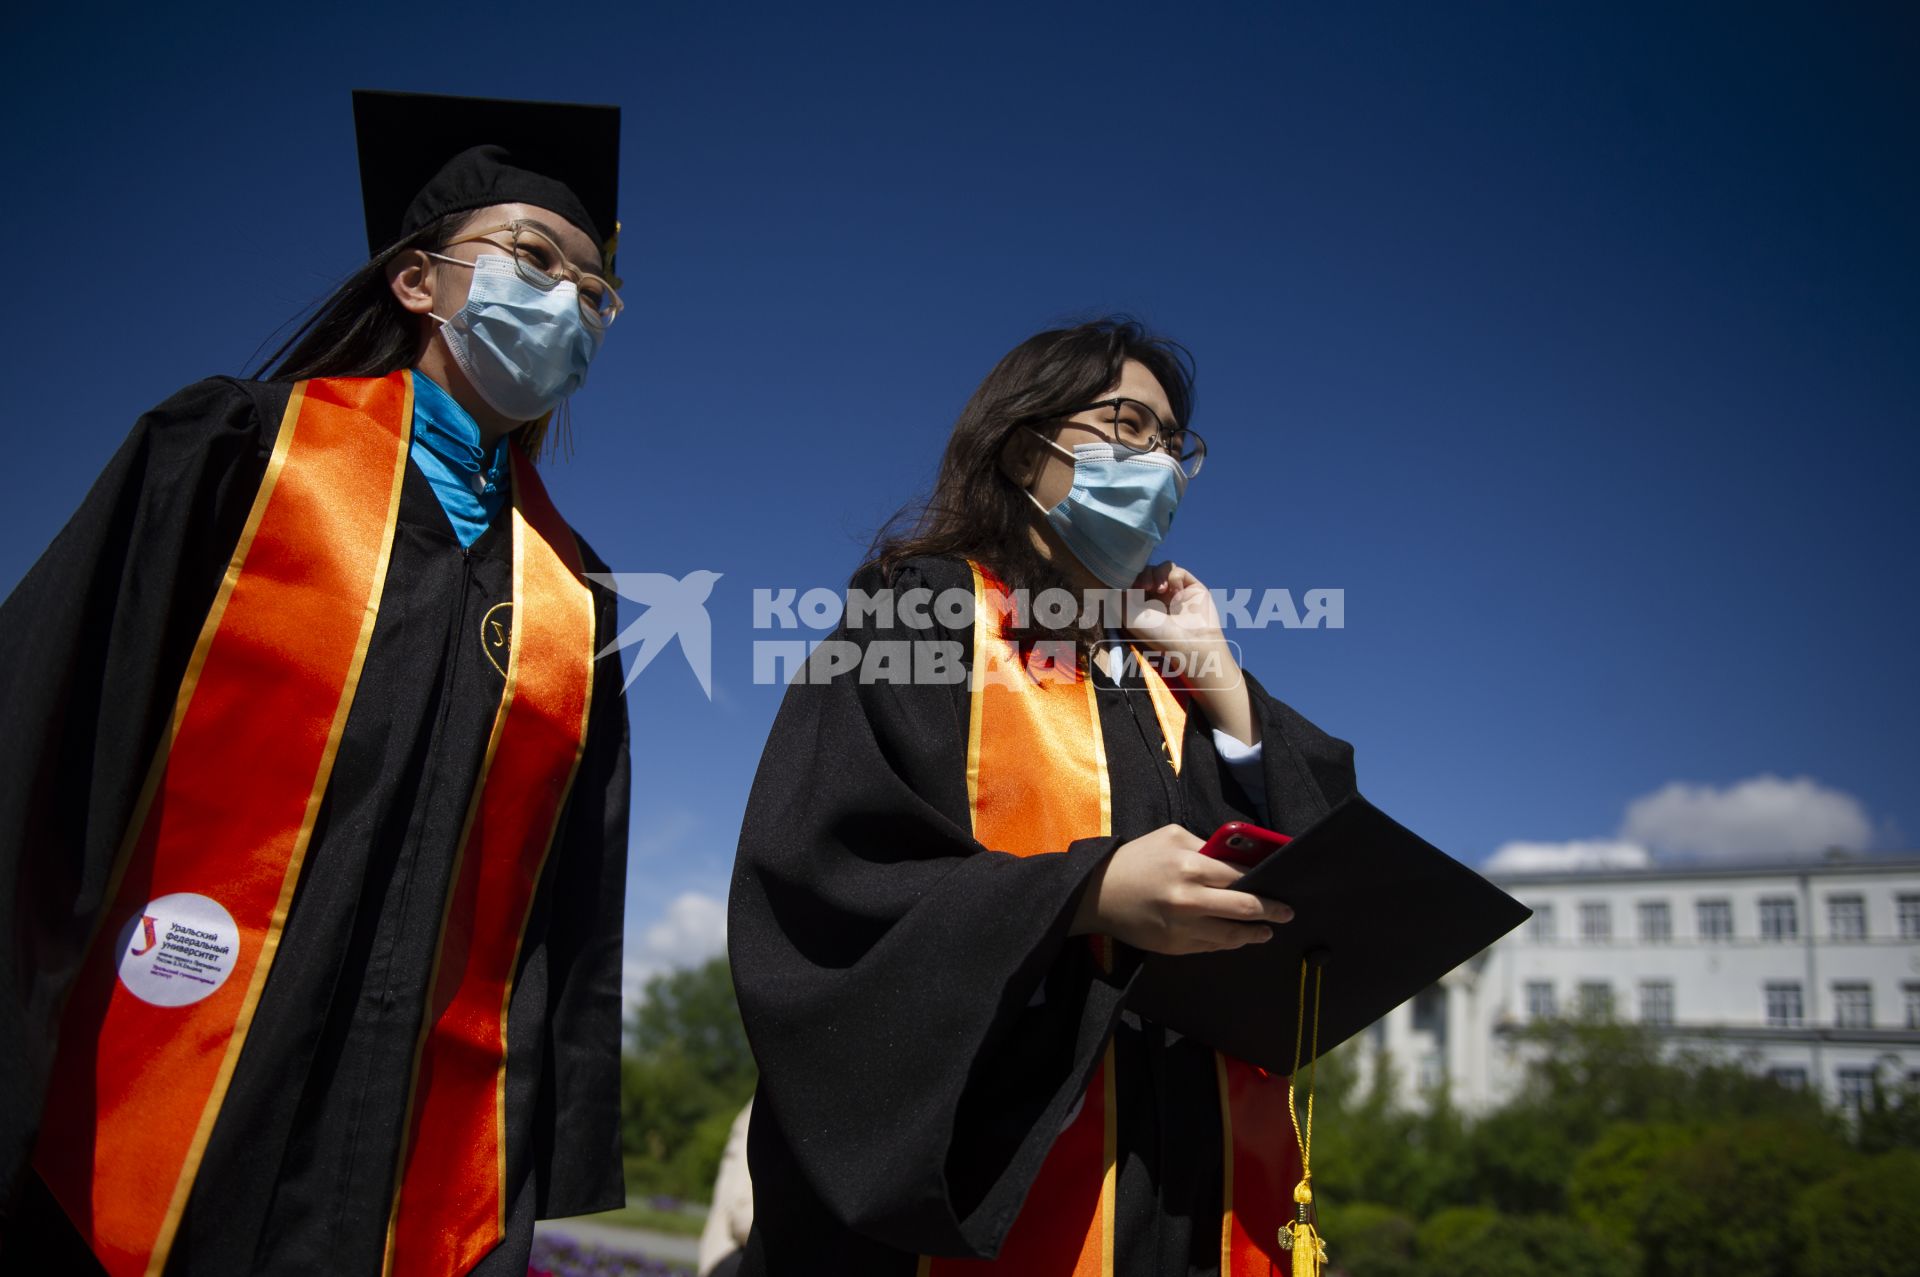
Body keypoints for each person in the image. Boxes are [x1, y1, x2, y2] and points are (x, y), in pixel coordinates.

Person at [0, 90, 632, 1277]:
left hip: (399, 1154)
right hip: (143, 1101)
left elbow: (563, 928)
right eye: (534, 259)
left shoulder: (572, 599)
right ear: (417, 280)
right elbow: (43, 738)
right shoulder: (238, 456)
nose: (567, 306)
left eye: (596, 293)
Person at [727, 318, 1359, 1275]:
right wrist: (1087, 894)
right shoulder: (925, 615)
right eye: (1128, 425)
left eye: (1173, 443)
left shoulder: (1165, 677)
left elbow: (1323, 868)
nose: (1160, 461)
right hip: (998, 1187)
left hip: (1179, 1183)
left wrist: (1222, 678)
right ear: (1029, 449)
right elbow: (826, 875)